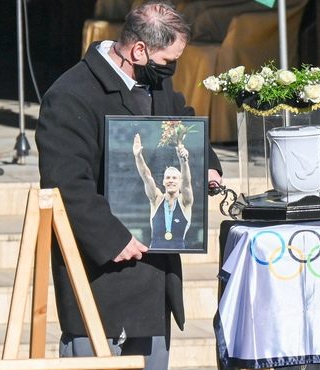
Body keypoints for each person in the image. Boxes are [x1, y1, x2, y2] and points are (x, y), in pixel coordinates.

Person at [35, 2, 222, 369]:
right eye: (168, 59)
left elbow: (180, 120)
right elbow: (65, 183)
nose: (171, 68)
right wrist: (114, 238)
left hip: (154, 285)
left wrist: (206, 165)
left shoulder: (156, 79)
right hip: (103, 282)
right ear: (140, 50)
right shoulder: (71, 94)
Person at [133, 134, 192, 250]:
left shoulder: (185, 202)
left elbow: (186, 183)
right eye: (168, 178)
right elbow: (146, 176)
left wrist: (183, 161)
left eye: (174, 178)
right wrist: (138, 156)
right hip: (155, 252)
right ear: (163, 181)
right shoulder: (157, 199)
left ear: (179, 182)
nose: (171, 181)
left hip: (177, 252)